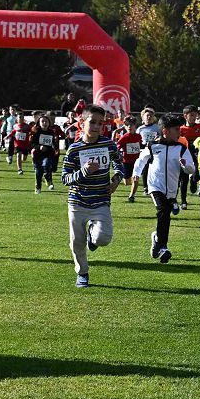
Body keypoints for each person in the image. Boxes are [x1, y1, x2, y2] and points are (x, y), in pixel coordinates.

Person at [61, 105, 124, 288]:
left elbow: (119, 164)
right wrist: (84, 172)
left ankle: (92, 236)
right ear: (82, 122)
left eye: (101, 123)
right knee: (76, 242)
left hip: (101, 200)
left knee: (103, 238)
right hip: (77, 202)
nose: (97, 126)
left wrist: (116, 179)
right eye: (93, 122)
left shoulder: (109, 144)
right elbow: (65, 179)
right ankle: (82, 273)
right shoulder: (73, 149)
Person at [134, 114, 195, 264]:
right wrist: (135, 174)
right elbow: (141, 160)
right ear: (165, 131)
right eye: (176, 129)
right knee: (163, 211)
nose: (179, 132)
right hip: (155, 186)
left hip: (172, 190)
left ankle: (157, 240)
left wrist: (184, 165)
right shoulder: (152, 146)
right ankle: (163, 247)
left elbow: (191, 169)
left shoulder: (181, 148)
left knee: (166, 215)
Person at [30, 113, 62, 193]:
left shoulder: (51, 131)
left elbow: (53, 141)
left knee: (47, 165)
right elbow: (31, 144)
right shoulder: (36, 132)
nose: (44, 123)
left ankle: (48, 180)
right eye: (42, 121)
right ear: (39, 123)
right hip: (37, 154)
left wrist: (56, 148)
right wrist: (39, 147)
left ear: (49, 122)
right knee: (38, 171)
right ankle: (38, 187)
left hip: (48, 153)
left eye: (46, 121)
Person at [179, 105, 200, 210]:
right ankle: (183, 201)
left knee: (197, 174)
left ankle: (194, 181)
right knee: (183, 179)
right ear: (185, 116)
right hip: (184, 155)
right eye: (192, 115)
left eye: (196, 115)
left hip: (196, 155)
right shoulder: (181, 129)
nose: (194, 117)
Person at [115, 116, 143, 201]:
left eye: (131, 125)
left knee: (135, 178)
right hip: (127, 161)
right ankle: (129, 180)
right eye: (127, 125)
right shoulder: (125, 137)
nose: (129, 127)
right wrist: (118, 150)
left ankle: (132, 195)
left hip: (137, 161)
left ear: (135, 126)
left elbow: (141, 145)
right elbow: (117, 146)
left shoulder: (138, 136)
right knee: (127, 182)